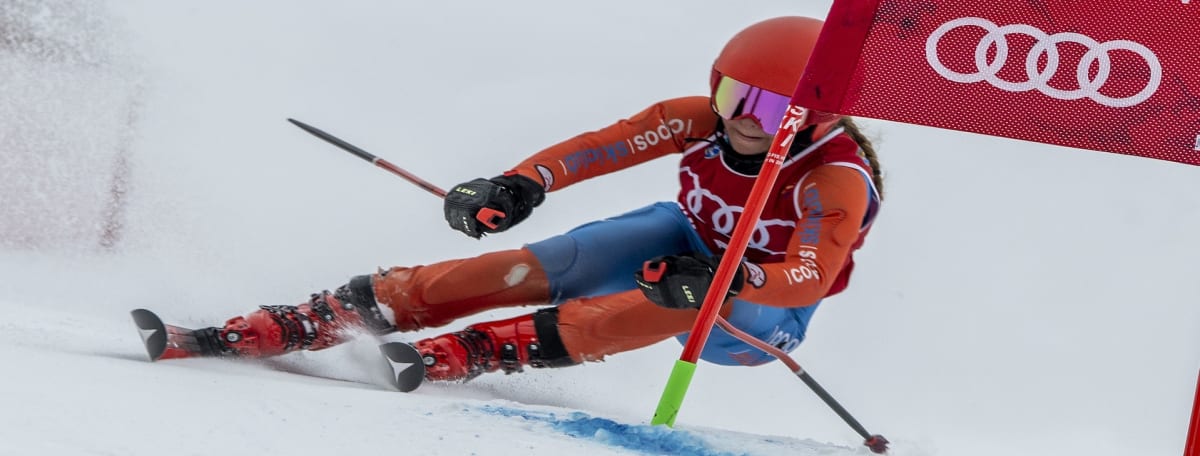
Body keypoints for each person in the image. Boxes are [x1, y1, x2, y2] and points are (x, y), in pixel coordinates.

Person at [159, 16, 884, 382]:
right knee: (561, 257)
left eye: (772, 106)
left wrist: (739, 277)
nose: (744, 117)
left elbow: (810, 274)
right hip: (687, 244)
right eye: (732, 92)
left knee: (697, 295)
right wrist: (521, 184)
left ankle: (484, 350)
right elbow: (600, 148)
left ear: (813, 113)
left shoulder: (833, 175)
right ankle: (346, 310)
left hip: (761, 310)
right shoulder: (699, 119)